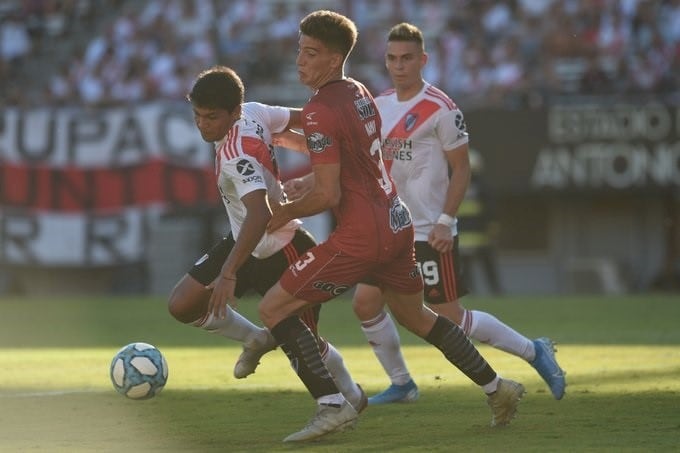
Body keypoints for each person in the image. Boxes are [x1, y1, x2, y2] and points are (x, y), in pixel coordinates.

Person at [257, 10, 525, 443]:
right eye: (298, 52)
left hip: (362, 234)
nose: (299, 62)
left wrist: (280, 214)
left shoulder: (319, 108)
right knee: (417, 316)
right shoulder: (360, 92)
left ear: (333, 58)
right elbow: (346, 158)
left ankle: (331, 405)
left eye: (310, 53)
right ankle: (499, 388)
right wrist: (286, 143)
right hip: (397, 222)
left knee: (272, 308)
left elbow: (327, 195)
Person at [347, 22, 566, 405]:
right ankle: (402, 385)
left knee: (449, 317)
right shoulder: (379, 105)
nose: (399, 65)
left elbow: (461, 168)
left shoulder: (442, 108)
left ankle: (535, 351)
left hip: (430, 229)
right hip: (391, 230)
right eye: (392, 58)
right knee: (365, 303)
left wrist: (446, 221)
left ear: (423, 60)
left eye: (407, 58)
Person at [166, 65, 366, 413]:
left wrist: (229, 272)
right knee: (183, 303)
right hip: (246, 238)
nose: (203, 124)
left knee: (303, 342)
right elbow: (308, 118)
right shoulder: (256, 112)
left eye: (212, 117)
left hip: (280, 244)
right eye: (197, 115)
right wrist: (322, 145)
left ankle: (349, 397)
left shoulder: (235, 155)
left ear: (235, 112)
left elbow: (259, 215)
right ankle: (256, 338)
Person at [458, 149, 503, 295]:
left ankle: (471, 293)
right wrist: (492, 228)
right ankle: (496, 292)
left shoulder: (456, 185)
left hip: (464, 236)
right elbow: (491, 210)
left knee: (466, 267)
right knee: (487, 265)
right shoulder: (483, 186)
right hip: (480, 235)